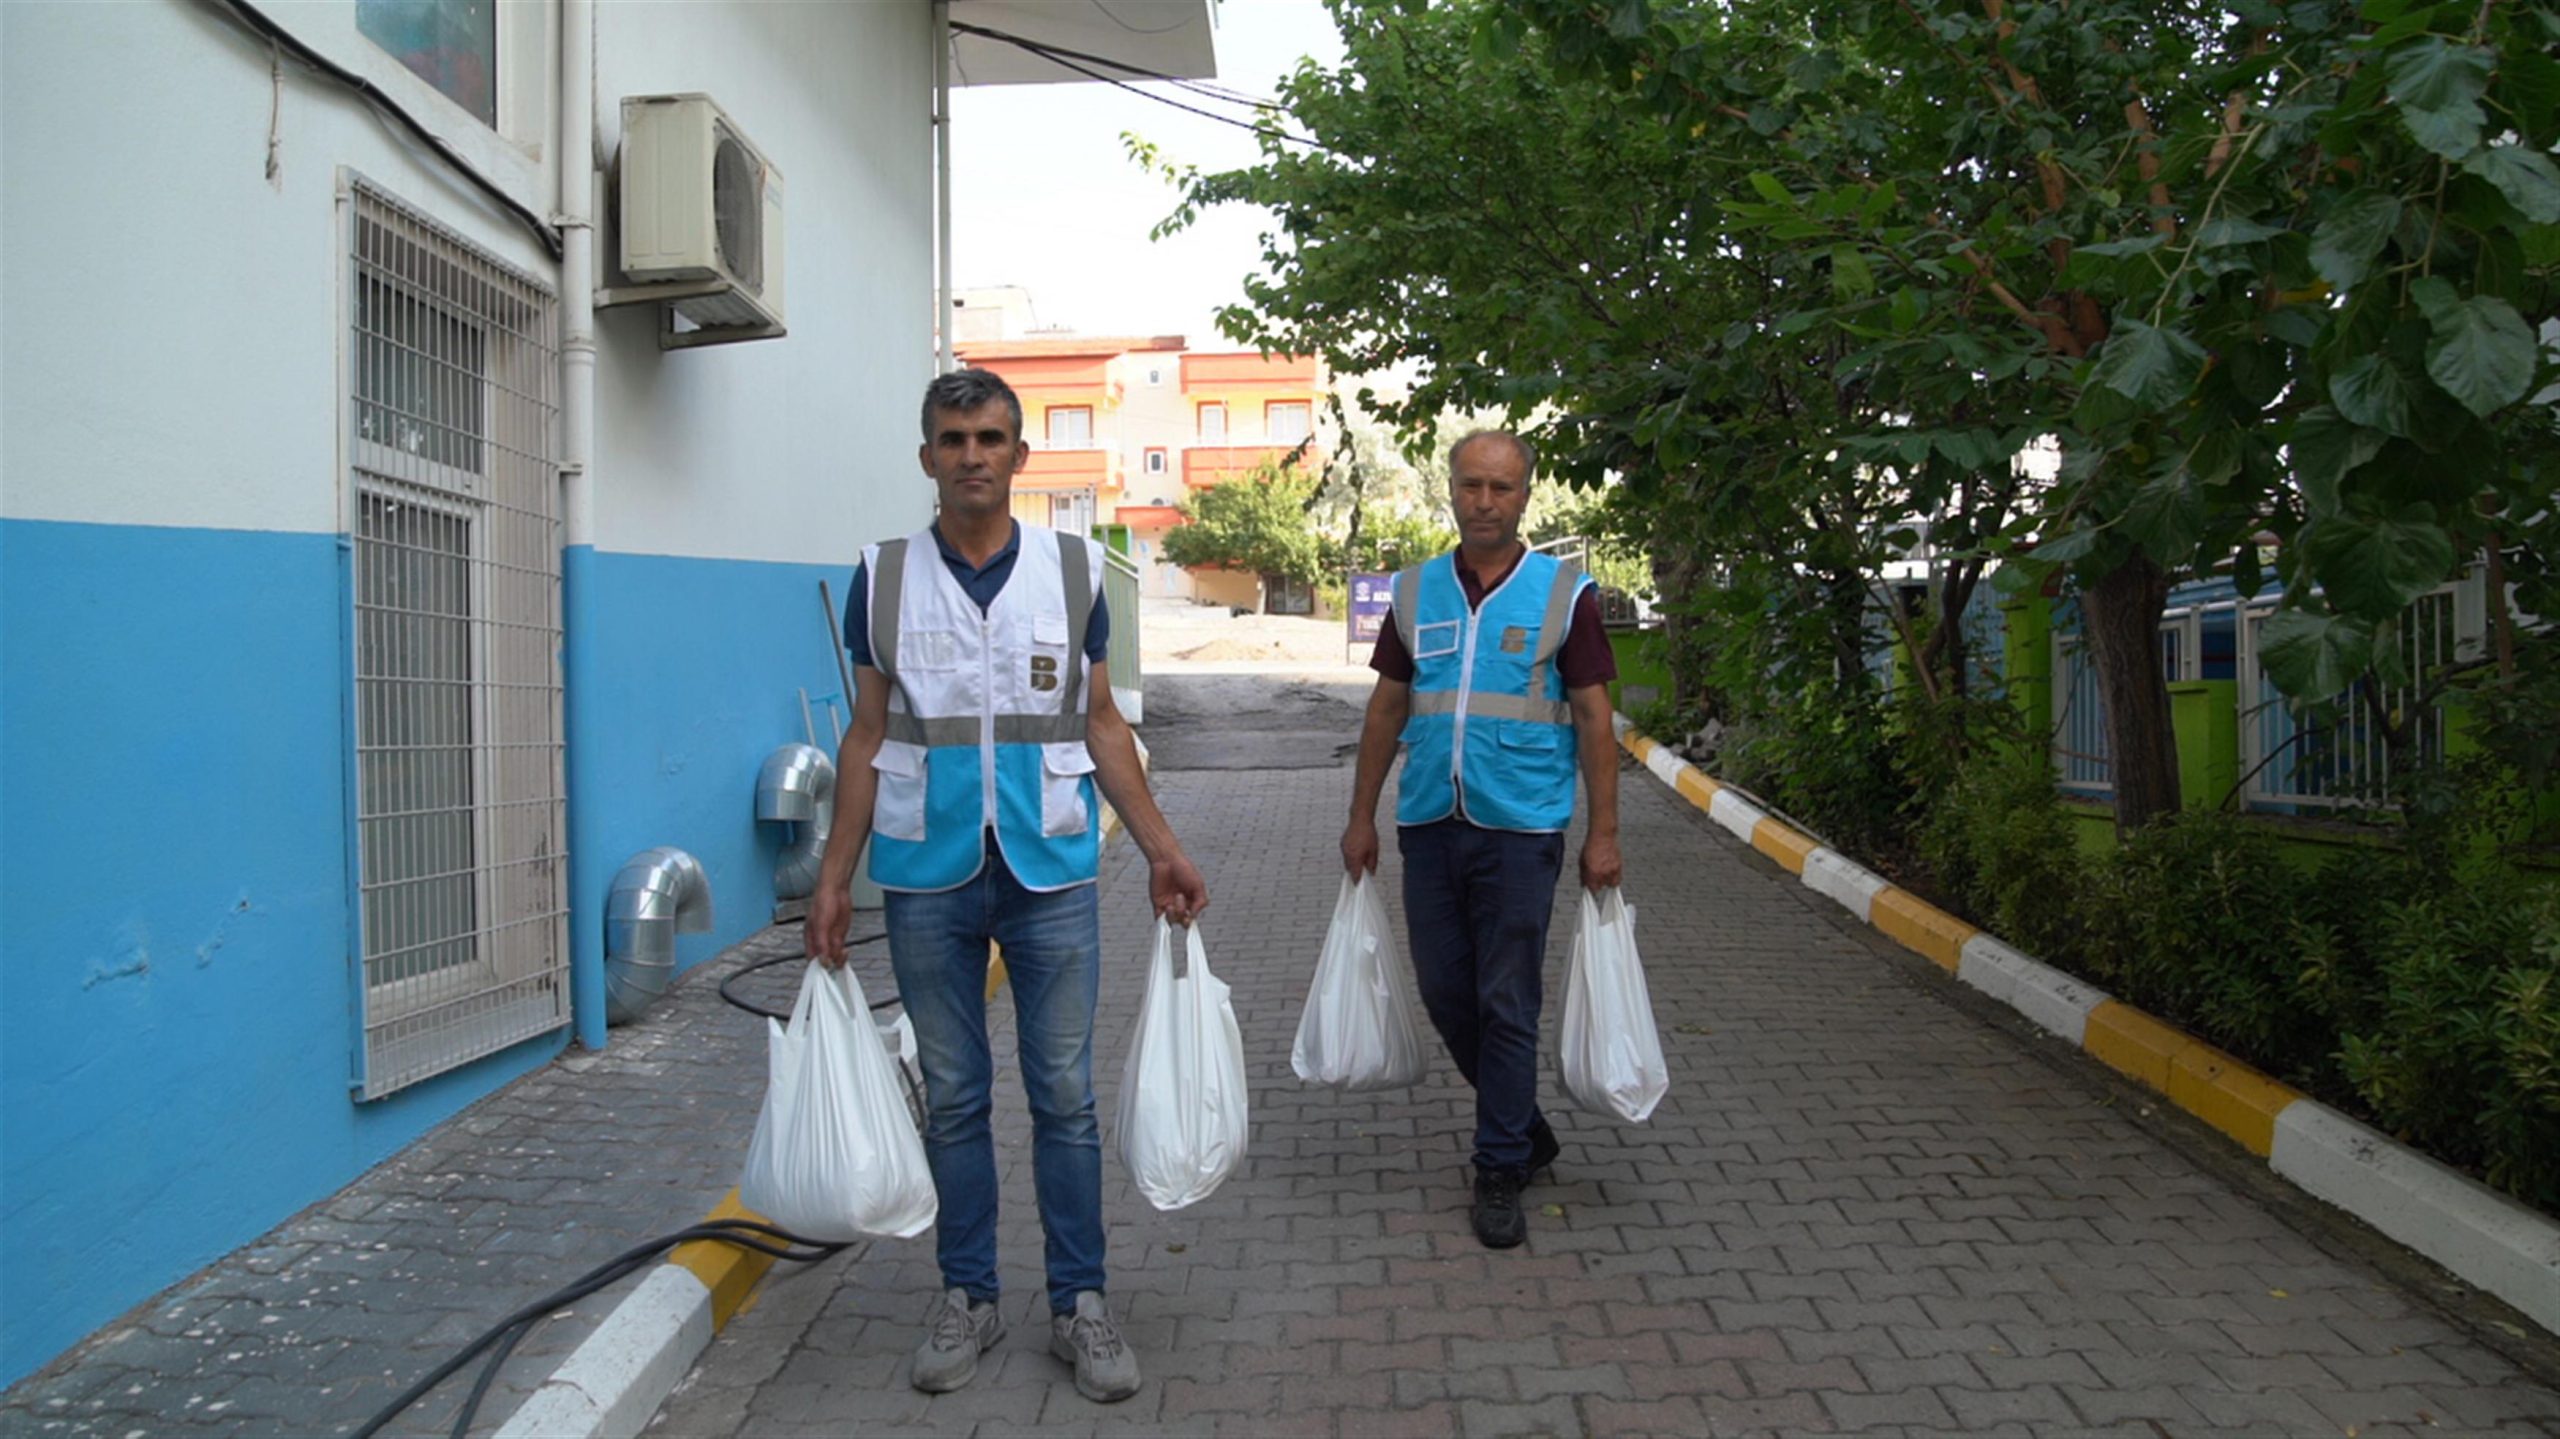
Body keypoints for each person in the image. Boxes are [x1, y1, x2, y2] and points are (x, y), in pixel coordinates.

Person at [807, 367, 1208, 1404]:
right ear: (927, 456)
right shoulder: (883, 576)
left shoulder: (1073, 571)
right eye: (953, 438)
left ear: (1020, 455)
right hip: (927, 874)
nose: (972, 455)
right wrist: (833, 877)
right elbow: (865, 735)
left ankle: (1081, 1302)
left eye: (990, 437)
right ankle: (969, 1295)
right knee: (953, 1096)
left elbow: (1102, 723)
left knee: (1064, 1095)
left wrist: (1161, 847)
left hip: (1049, 870)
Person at [1339, 429, 1621, 1250]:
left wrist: (1603, 832)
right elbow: (1387, 707)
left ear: (1526, 495)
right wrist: (1360, 815)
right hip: (1430, 821)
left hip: (1523, 827)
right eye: (1471, 485)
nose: (1485, 501)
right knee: (1443, 990)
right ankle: (1523, 1124)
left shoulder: (1564, 593)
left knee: (1507, 998)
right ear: (1452, 489)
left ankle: (1499, 1163)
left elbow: (1595, 718)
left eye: (1501, 487)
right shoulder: (1415, 590)